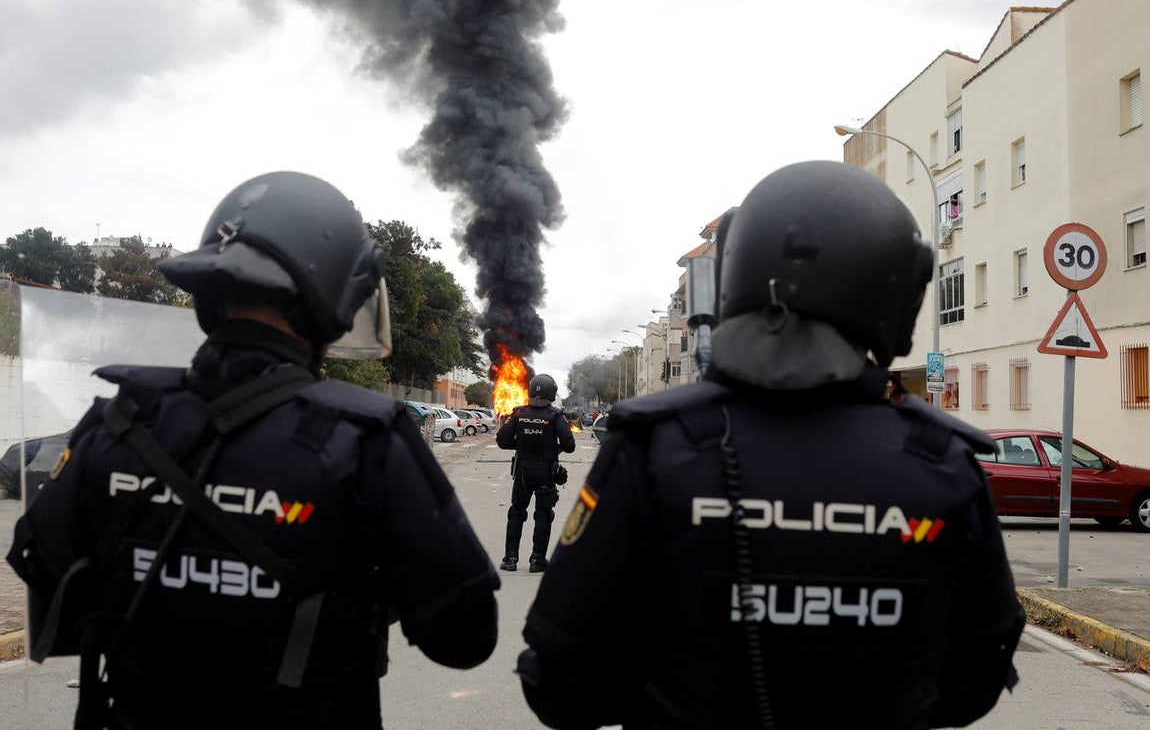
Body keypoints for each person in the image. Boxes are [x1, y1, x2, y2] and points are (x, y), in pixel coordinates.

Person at [516, 160, 1024, 729]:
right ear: (897, 291)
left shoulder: (654, 447)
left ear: (738, 274)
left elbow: (556, 681)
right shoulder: (943, 464)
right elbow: (977, 677)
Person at [7, 171, 500, 730]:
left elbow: (43, 569)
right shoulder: (368, 440)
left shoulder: (119, 420)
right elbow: (465, 637)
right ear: (335, 296)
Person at [496, 373, 576, 574]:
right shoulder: (555, 416)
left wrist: (521, 444)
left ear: (531, 390)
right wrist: (551, 447)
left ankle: (511, 559)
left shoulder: (519, 413)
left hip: (522, 473)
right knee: (543, 516)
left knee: (516, 513)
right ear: (552, 392)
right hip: (546, 475)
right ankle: (537, 560)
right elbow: (569, 444)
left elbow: (502, 440)